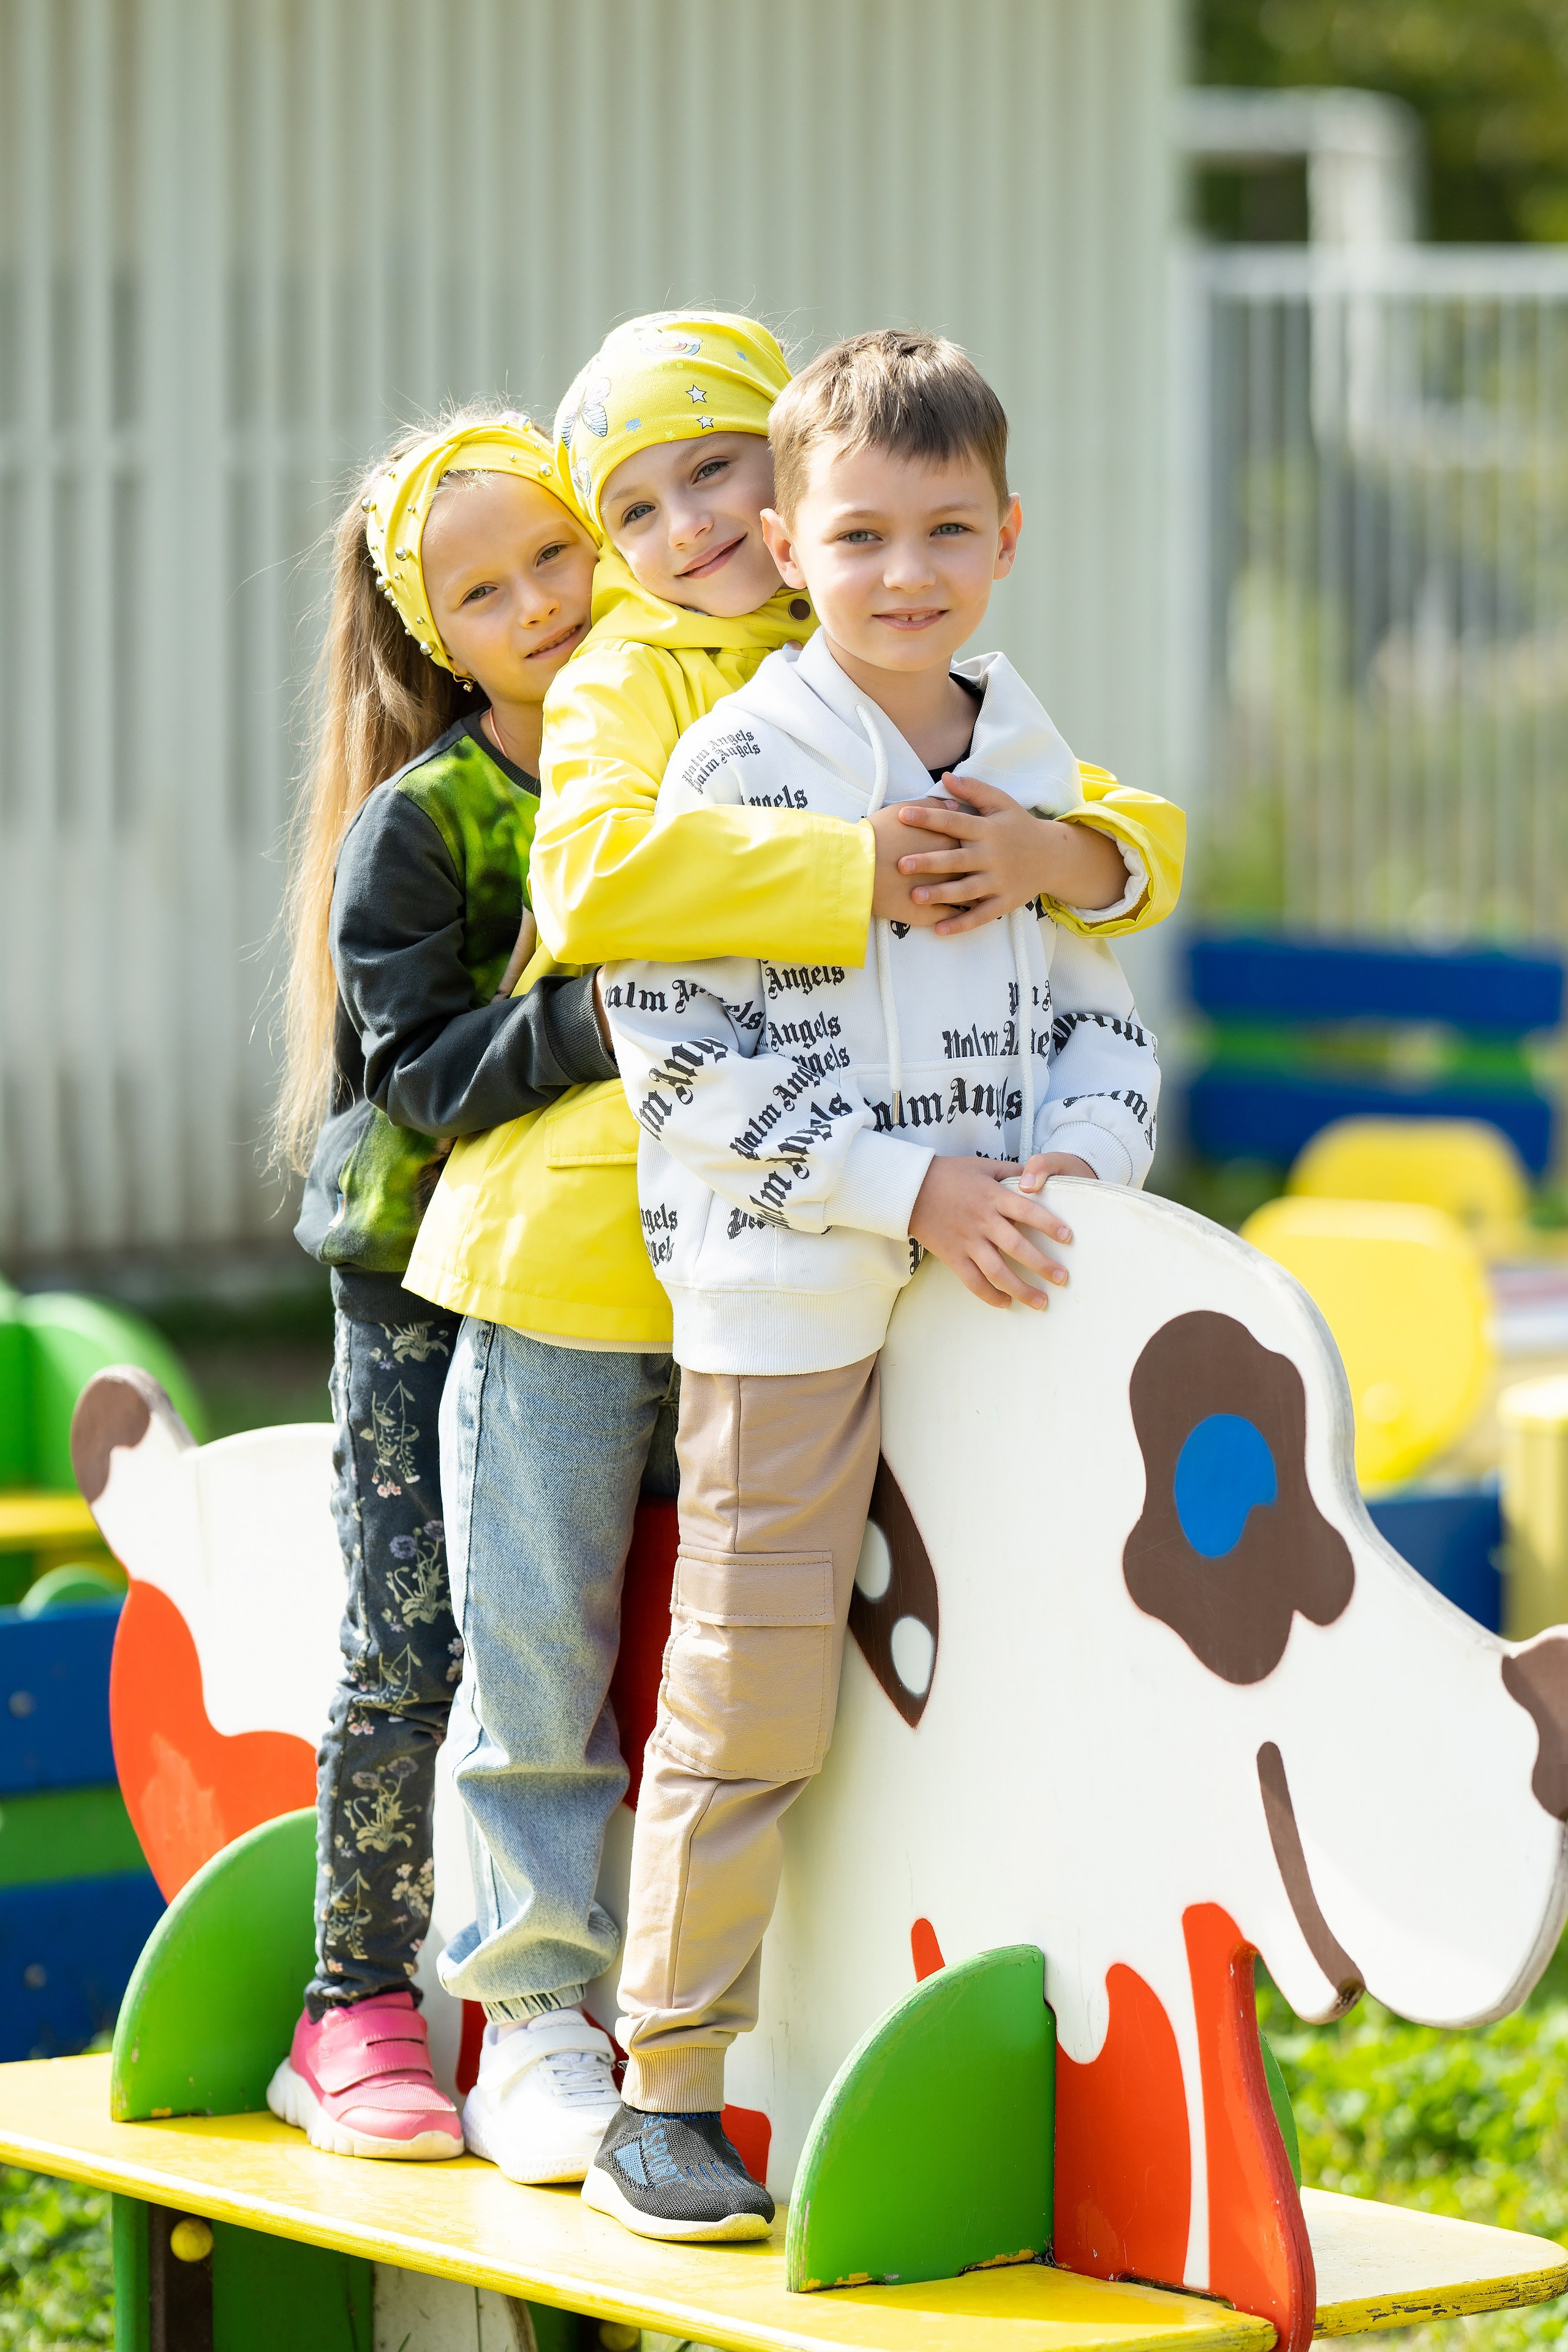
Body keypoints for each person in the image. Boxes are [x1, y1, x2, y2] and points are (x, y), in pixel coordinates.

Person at [403, 311, 1178, 2185]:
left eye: (941, 535)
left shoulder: (1021, 734)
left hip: (1006, 1291)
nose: (896, 573)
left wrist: (1076, 1152)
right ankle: (657, 2076)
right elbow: (675, 1041)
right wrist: (906, 1182)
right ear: (805, 539)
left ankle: (1002, 2054)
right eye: (859, 538)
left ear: (1007, 537)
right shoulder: (722, 737)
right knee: (727, 1686)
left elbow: (1100, 987)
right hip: (780, 1281)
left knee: (1001, 1670)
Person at [269, 410, 615, 2164]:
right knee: (412, 1636)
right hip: (420, 1272)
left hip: (604, 1265)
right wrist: (606, 1015)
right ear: (436, 637)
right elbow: (418, 1072)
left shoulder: (674, 754)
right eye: (487, 590)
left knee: (575, 1629)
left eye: (557, 552)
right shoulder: (427, 823)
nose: (541, 602)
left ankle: (561, 1991)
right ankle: (353, 2003)